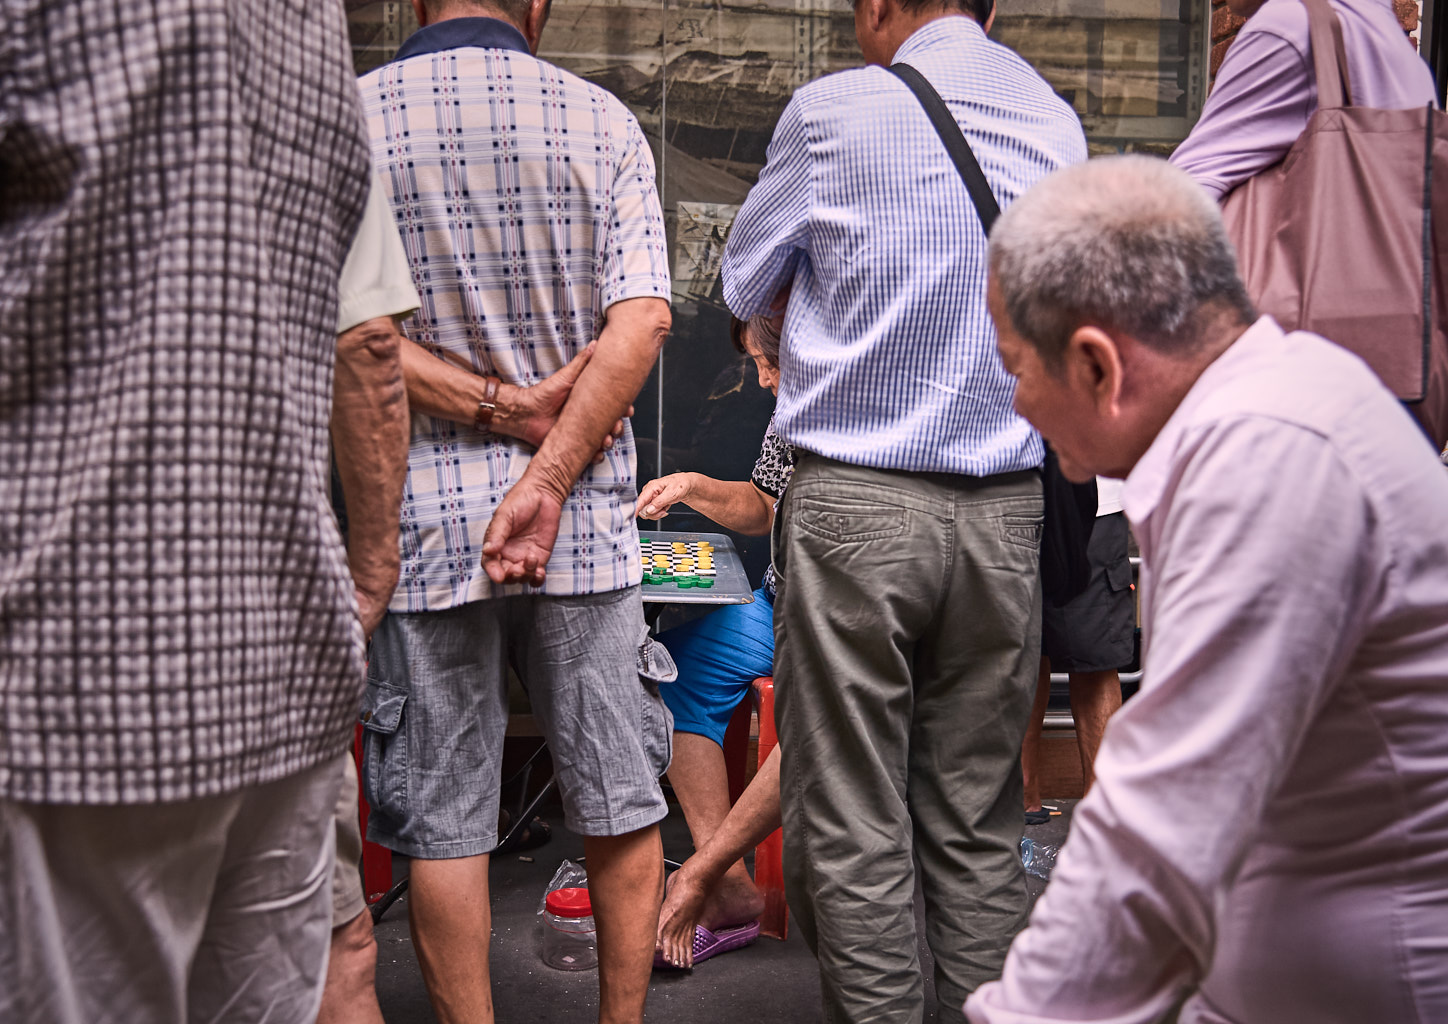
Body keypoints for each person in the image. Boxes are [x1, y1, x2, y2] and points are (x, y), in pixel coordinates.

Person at [967, 154, 1448, 1023]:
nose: (1016, 401)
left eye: (1015, 366)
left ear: (1097, 366)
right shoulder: (1260, 421)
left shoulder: (1265, 455)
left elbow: (1158, 828)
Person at [0, 3, 388, 1021]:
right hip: (278, 641)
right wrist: (368, 565)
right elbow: (366, 341)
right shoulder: (306, 22)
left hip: (69, 655)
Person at [719, 0, 1087, 1016]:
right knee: (977, 814)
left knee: (849, 810)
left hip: (856, 504)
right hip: (1005, 510)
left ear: (878, 6)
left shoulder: (831, 112)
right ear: (992, 6)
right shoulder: (1051, 119)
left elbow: (743, 275)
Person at [355, 1, 674, 1021]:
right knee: (620, 796)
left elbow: (350, 332)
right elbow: (643, 320)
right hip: (579, 522)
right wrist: (546, 471)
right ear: (535, 7)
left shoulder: (353, 117)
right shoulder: (601, 119)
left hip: (423, 527)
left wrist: (490, 407)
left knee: (446, 819)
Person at [1169, 0, 1444, 446]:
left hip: (1284, 390)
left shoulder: (1293, 25)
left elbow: (1180, 198)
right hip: (1392, 375)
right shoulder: (1398, 46)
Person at [635, 314, 793, 968]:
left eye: (767, 360)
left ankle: (704, 873)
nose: (759, 377)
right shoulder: (789, 412)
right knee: (666, 678)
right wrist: (693, 486)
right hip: (777, 599)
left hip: (837, 615)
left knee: (819, 721)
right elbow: (763, 505)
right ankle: (727, 885)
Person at [317, 177, 420, 1024]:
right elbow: (370, 347)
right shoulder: (311, 97)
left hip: (51, 632)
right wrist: (372, 568)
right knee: (336, 947)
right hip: (271, 616)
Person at [1019, 480, 1133, 824]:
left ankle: (1099, 808)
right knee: (1014, 653)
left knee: (1093, 657)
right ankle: (1022, 797)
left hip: (1092, 496)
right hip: (1003, 489)